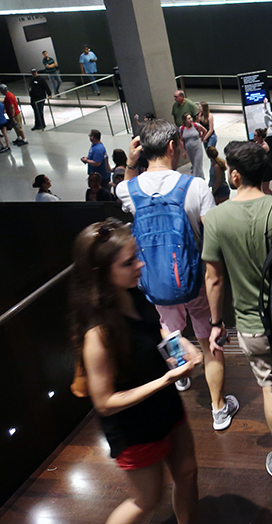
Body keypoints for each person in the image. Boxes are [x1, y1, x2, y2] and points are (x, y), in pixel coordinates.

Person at [69, 219, 200, 523]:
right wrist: (165, 380)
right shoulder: (98, 333)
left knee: (188, 472)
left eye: (136, 255)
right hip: (133, 427)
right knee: (146, 500)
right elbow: (104, 402)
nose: (140, 264)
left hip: (166, 406)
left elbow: (156, 331)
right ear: (100, 273)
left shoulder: (136, 294)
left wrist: (179, 341)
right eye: (129, 262)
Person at [202, 140, 272, 491]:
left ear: (234, 175)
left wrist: (217, 323)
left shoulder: (217, 217)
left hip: (252, 322)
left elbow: (214, 277)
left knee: (270, 387)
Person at [118, 119, 239, 430]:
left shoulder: (129, 188)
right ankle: (218, 409)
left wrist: (131, 163)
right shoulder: (195, 186)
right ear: (173, 147)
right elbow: (214, 239)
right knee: (209, 341)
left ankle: (181, 376)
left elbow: (122, 194)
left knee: (169, 328)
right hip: (194, 278)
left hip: (154, 281)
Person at [180, 113, 206, 179]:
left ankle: (197, 178)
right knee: (194, 164)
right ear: (185, 121)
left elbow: (204, 131)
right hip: (189, 149)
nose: (191, 120)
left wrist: (202, 138)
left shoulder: (196, 125)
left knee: (198, 164)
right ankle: (200, 177)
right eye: (188, 119)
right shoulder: (182, 128)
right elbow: (181, 140)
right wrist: (183, 151)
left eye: (191, 118)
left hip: (198, 147)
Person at [253, 127, 272, 194]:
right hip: (260, 168)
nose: (254, 136)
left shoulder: (264, 147)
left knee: (265, 189)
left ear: (260, 137)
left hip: (265, 170)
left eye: (255, 135)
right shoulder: (257, 143)